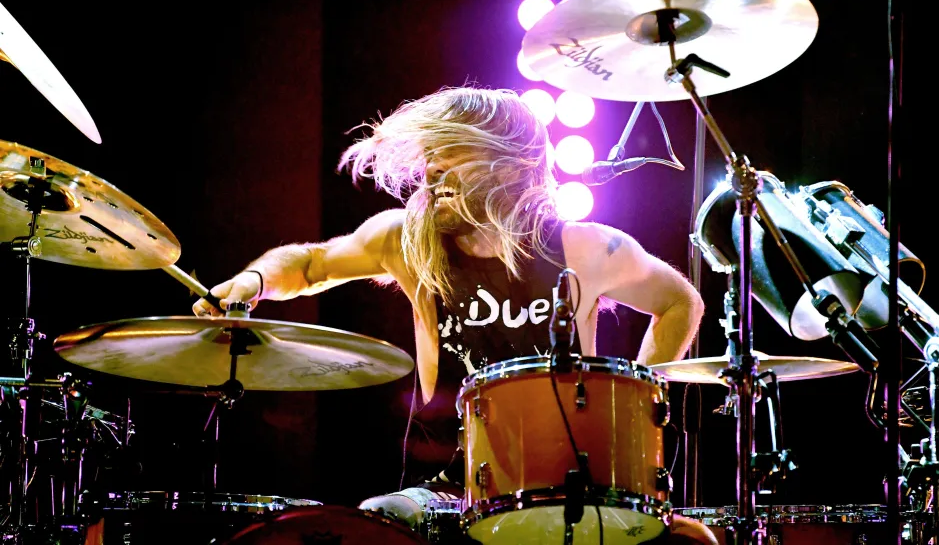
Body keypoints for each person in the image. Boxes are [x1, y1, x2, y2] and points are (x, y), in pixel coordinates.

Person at [193, 86, 714, 544]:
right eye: (430, 155)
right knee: (374, 522)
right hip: (449, 489)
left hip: (576, 480)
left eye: (452, 152)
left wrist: (635, 405)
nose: (432, 169)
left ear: (511, 162)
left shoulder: (584, 246)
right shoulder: (405, 240)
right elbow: (311, 263)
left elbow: (680, 301)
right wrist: (253, 282)